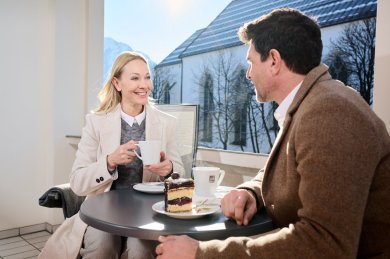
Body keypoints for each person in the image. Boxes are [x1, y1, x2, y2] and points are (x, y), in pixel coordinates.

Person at [155, 8, 390, 259]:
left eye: (251, 62)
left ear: (274, 61)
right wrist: (252, 193)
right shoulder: (309, 104)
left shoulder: (330, 112)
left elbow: (324, 244)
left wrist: (202, 253)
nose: (248, 74)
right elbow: (284, 171)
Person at [39, 51, 185, 259]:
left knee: (141, 250)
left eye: (147, 77)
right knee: (101, 249)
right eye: (135, 78)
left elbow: (180, 173)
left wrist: (169, 169)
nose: (144, 84)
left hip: (148, 211)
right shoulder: (96, 122)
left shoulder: (167, 123)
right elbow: (78, 182)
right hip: (103, 209)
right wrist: (109, 162)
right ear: (117, 83)